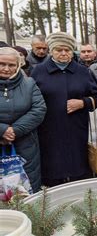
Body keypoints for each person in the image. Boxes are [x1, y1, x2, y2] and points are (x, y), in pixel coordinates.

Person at [31, 32, 97, 187]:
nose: (63, 53)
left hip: (77, 129)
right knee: (53, 170)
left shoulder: (82, 71)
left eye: (67, 50)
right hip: (48, 130)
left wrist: (83, 103)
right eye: (59, 50)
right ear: (51, 51)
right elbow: (31, 99)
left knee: (77, 169)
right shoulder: (38, 71)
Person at [0, 47, 46, 192]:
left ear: (18, 65)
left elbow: (39, 109)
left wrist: (14, 130)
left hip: (25, 146)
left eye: (11, 65)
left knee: (27, 190)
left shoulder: (29, 84)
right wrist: (2, 130)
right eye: (1, 64)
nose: (6, 68)